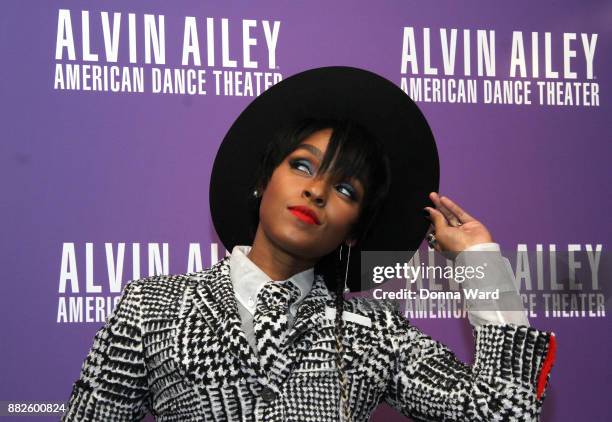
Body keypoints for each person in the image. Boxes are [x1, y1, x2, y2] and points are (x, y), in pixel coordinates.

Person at [62, 67, 557, 422]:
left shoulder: (375, 333)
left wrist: (478, 264)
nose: (317, 190)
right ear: (263, 182)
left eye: (346, 190)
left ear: (355, 230)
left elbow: (502, 412)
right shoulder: (152, 307)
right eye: (302, 165)